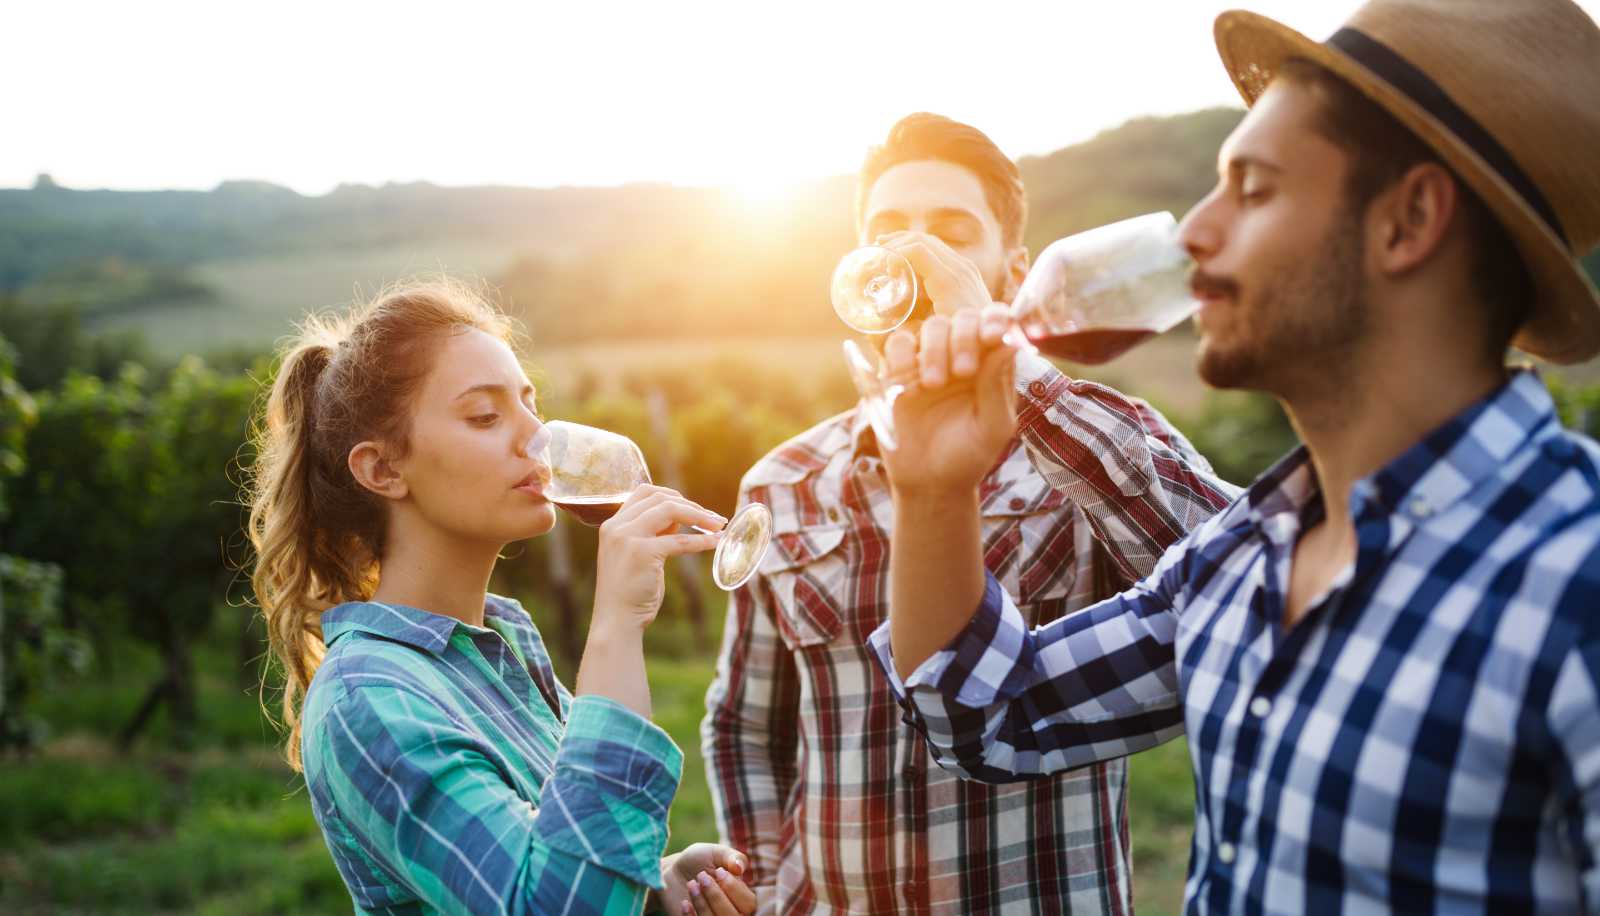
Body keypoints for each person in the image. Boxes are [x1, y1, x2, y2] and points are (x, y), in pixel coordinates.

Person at [872, 0, 1600, 912]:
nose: (1192, 236)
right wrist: (935, 490)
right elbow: (986, 716)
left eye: (1251, 189)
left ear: (1408, 221)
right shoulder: (1241, 556)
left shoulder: (1577, 581)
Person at [701, 113, 1237, 913]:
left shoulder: (1087, 447)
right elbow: (747, 726)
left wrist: (1013, 365)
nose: (914, 257)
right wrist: (772, 885)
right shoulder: (780, 484)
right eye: (888, 232)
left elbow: (1247, 568)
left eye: (952, 234)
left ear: (1012, 270)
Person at [246, 279, 757, 916]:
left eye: (530, 405)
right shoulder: (369, 700)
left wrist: (656, 884)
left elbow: (560, 854)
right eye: (485, 417)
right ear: (382, 469)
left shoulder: (501, 646)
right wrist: (617, 628)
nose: (536, 440)